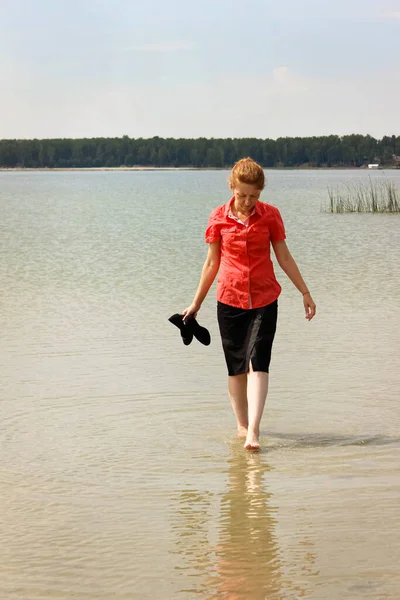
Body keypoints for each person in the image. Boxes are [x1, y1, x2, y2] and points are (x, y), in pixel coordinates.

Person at [183, 158, 316, 451]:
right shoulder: (217, 218)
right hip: (228, 300)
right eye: (242, 194)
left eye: (253, 196)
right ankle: (241, 426)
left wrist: (304, 292)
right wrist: (195, 305)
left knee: (259, 360)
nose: (247, 201)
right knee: (236, 368)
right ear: (232, 187)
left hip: (265, 299)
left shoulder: (271, 216)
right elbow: (211, 263)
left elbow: (283, 256)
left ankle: (254, 431)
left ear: (260, 192)